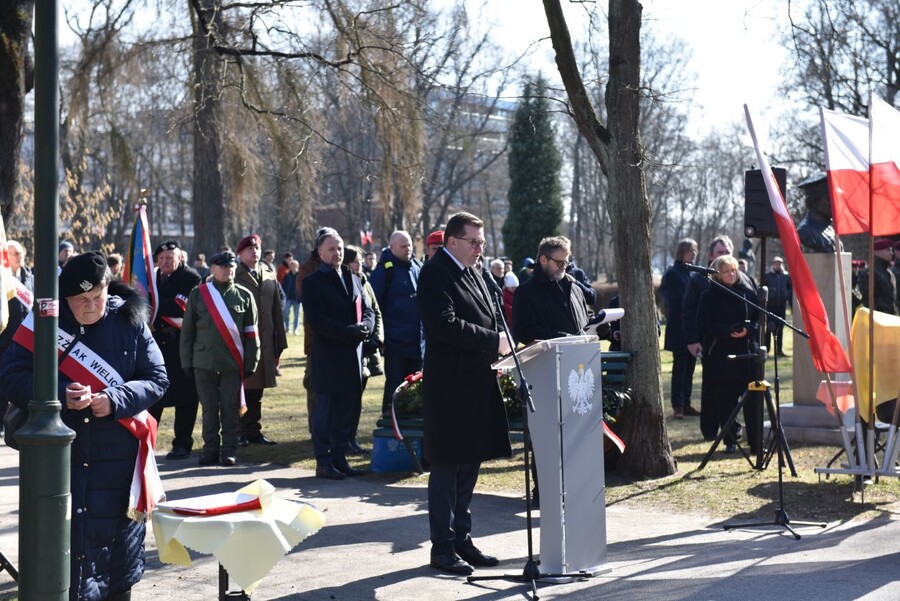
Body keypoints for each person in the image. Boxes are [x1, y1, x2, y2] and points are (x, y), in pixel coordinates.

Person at [0, 251, 169, 601]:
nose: (92, 306)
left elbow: (157, 378)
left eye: (99, 297)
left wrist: (116, 398)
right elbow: (11, 374)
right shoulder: (43, 322)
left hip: (117, 459)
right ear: (66, 299)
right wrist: (59, 394)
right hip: (59, 457)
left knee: (116, 561)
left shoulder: (130, 320)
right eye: (82, 300)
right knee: (64, 552)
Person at [417, 211, 512, 575]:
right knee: (447, 467)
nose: (480, 248)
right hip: (450, 387)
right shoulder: (434, 273)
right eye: (473, 242)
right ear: (452, 241)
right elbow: (445, 325)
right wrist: (493, 340)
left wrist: (500, 341)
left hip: (476, 381)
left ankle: (461, 540)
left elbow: (489, 316)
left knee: (469, 464)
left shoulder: (474, 272)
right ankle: (441, 548)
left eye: (482, 242)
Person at [301, 230, 375, 479]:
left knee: (346, 412)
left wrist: (366, 327)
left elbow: (368, 309)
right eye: (332, 249)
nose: (337, 253)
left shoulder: (353, 277)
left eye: (340, 248)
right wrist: (349, 331)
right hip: (329, 357)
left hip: (352, 355)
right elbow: (318, 321)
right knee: (325, 413)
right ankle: (323, 461)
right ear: (320, 253)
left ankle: (340, 458)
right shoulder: (313, 282)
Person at [181, 250, 260, 467]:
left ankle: (229, 451)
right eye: (223, 266)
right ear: (213, 269)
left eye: (231, 266)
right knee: (208, 409)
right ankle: (210, 450)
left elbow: (252, 335)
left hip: (231, 363)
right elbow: (187, 333)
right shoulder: (198, 294)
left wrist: (251, 362)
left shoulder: (244, 296)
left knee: (229, 408)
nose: (228, 269)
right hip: (203, 363)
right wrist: (186, 362)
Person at [682, 234, 756, 441]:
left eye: (727, 253)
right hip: (714, 345)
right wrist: (692, 340)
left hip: (744, 347)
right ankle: (710, 431)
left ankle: (736, 430)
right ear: (710, 255)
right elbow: (690, 313)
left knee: (740, 393)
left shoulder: (744, 279)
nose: (724, 256)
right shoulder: (699, 280)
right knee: (713, 391)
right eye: (720, 253)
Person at [696, 255, 760, 454]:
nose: (731, 274)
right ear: (717, 274)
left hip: (747, 353)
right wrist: (726, 331)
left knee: (753, 400)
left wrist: (748, 330)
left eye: (733, 270)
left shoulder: (748, 292)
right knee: (726, 401)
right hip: (721, 356)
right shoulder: (708, 296)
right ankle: (731, 440)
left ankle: (756, 443)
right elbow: (703, 324)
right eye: (726, 271)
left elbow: (758, 320)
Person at [147, 240, 203, 461]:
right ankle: (148, 442)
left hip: (180, 343)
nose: (164, 262)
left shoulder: (191, 277)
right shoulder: (152, 278)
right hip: (155, 343)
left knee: (185, 397)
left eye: (169, 258)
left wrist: (149, 304)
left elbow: (179, 306)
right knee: (152, 396)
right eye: (161, 258)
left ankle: (182, 444)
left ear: (180, 258)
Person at [234, 234, 288, 445]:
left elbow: (276, 309)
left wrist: (279, 342)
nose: (254, 251)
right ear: (240, 253)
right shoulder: (234, 274)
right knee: (241, 389)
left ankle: (253, 431)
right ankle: (237, 431)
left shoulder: (267, 272)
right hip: (243, 341)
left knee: (257, 390)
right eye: (249, 249)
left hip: (265, 340)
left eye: (257, 248)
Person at [369, 230, 424, 416]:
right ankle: (389, 421)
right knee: (395, 385)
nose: (408, 249)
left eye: (409, 245)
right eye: (403, 246)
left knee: (416, 386)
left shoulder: (417, 266)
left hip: (417, 341)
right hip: (395, 342)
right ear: (391, 248)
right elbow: (373, 306)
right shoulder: (384, 271)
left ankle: (412, 423)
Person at [343, 244, 384, 454]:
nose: (360, 264)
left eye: (361, 260)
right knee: (347, 399)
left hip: (366, 351)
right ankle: (344, 438)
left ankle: (352, 436)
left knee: (357, 397)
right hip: (350, 350)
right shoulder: (344, 283)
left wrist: (376, 337)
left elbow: (375, 311)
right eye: (356, 261)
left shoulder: (364, 281)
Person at [660, 238, 700, 419]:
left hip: (693, 328)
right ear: (681, 251)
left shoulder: (693, 273)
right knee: (680, 367)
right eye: (691, 250)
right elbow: (676, 301)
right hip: (679, 328)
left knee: (690, 367)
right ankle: (678, 406)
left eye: (695, 250)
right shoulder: (672, 273)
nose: (694, 253)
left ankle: (687, 402)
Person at [0, 240, 34, 425]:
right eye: (15, 253)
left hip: (26, 338)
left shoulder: (30, 276)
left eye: (21, 252)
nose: (19, 256)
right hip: (5, 338)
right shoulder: (3, 278)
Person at [859, 238, 899, 315]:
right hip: (878, 319)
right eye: (887, 250)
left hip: (890, 317)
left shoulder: (889, 272)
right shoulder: (871, 272)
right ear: (876, 252)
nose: (891, 253)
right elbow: (866, 299)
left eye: (891, 250)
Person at [763, 256, 793, 356]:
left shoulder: (786, 276)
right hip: (771, 306)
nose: (777, 265)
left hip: (781, 306)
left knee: (780, 328)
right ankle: (766, 350)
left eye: (779, 264)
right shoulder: (767, 276)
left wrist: (786, 295)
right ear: (772, 265)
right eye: (775, 263)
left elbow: (790, 289)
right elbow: (763, 289)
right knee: (769, 329)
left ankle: (779, 350)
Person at [282, 259, 302, 335]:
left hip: (297, 298)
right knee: (286, 313)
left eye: (294, 265)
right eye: (291, 265)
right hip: (288, 298)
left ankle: (295, 330)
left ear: (297, 266)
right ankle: (287, 328)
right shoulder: (286, 275)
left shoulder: (300, 275)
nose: (293, 267)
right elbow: (283, 286)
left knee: (297, 315)